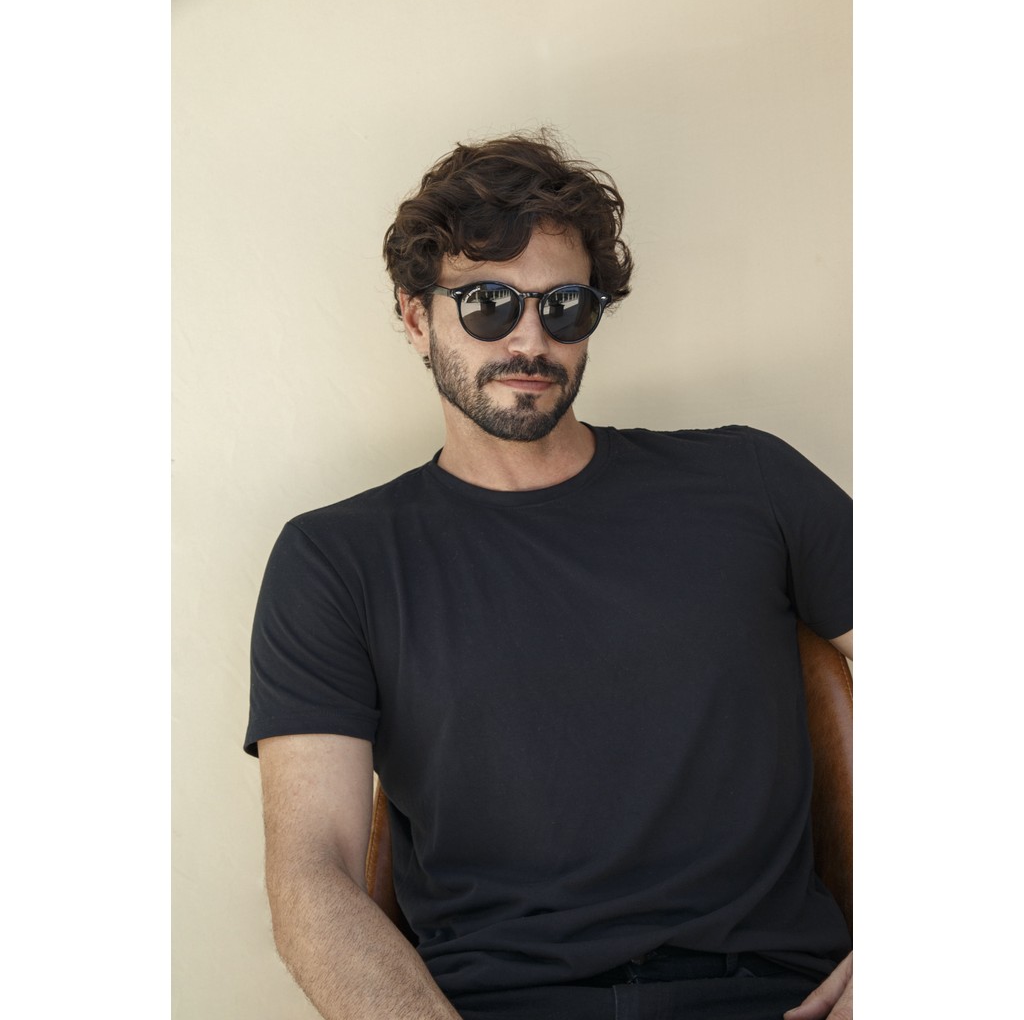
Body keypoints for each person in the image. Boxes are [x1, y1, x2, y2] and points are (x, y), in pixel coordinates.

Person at [245, 131, 853, 1020]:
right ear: (415, 318)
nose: (531, 339)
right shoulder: (335, 561)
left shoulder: (750, 483)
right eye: (488, 303)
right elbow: (313, 875)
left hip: (767, 995)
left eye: (566, 306)